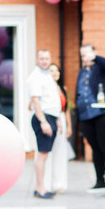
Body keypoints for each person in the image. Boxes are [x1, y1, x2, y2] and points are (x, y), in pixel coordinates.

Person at [76, 44, 105, 192]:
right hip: (86, 116)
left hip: (103, 114)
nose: (85, 58)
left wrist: (95, 58)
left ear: (94, 54)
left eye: (87, 54)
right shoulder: (82, 72)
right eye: (82, 55)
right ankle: (100, 181)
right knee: (95, 149)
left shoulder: (102, 67)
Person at [27, 48, 62, 199]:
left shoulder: (47, 75)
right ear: (37, 60)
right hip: (44, 119)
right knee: (41, 155)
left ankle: (40, 187)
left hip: (51, 118)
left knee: (45, 155)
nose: (45, 61)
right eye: (42, 59)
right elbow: (35, 101)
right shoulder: (35, 77)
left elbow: (53, 99)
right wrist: (43, 122)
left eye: (47, 58)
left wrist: (58, 119)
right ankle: (40, 189)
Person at [44, 63, 73, 194]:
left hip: (61, 118)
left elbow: (66, 110)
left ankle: (59, 183)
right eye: (51, 71)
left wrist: (69, 126)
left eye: (56, 71)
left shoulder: (63, 89)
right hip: (50, 118)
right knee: (49, 152)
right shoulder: (44, 89)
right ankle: (46, 184)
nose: (54, 73)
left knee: (60, 153)